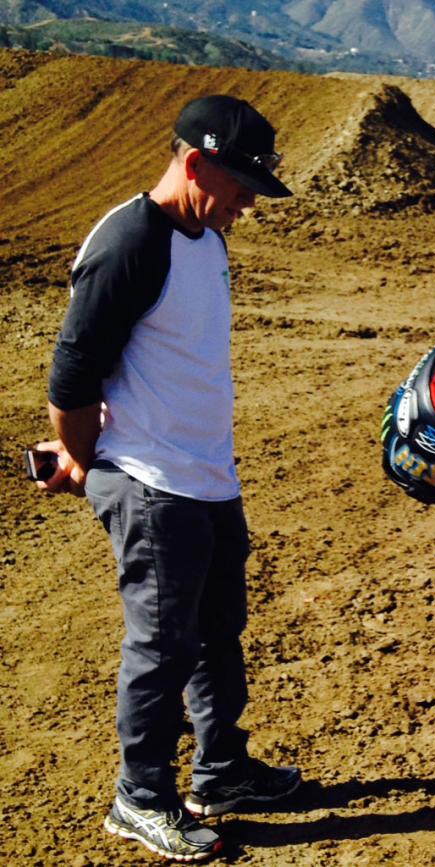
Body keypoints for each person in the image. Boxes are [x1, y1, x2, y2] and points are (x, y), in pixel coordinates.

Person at [35, 95, 302, 862]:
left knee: (218, 633)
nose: (249, 203)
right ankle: (141, 796)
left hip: (208, 476)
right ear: (197, 164)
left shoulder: (207, 239)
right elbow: (71, 378)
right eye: (242, 185)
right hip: (152, 483)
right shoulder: (130, 242)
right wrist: (84, 458)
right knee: (161, 647)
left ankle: (221, 772)